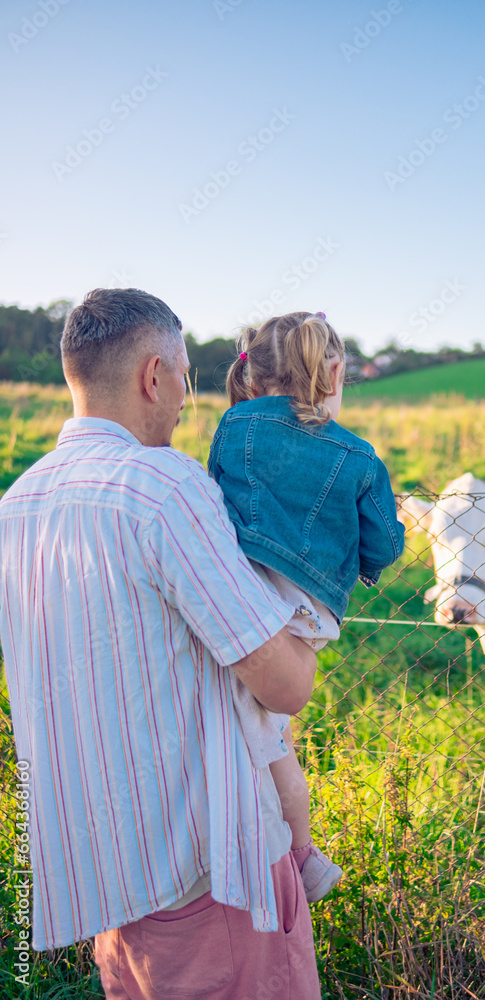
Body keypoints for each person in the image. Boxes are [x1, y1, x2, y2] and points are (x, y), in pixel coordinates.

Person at [0, 288, 322, 999]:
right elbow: (284, 685)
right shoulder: (163, 487)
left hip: (105, 877)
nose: (186, 399)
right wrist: (313, 601)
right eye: (184, 378)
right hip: (211, 873)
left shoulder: (14, 505)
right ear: (153, 375)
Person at [208, 310, 405, 903]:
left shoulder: (232, 429)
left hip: (239, 595)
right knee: (271, 735)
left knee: (259, 734)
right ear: (336, 370)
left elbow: (216, 504)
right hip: (306, 614)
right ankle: (297, 855)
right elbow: (385, 544)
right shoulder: (360, 456)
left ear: (253, 375)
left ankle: (274, 851)